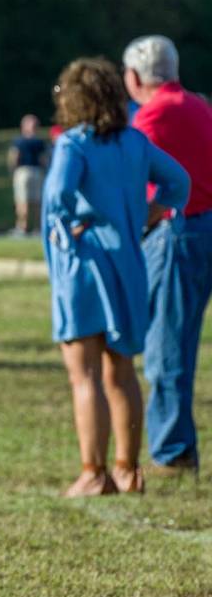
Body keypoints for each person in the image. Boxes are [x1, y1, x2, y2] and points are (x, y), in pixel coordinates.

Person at [43, 57, 189, 497]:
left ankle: (93, 472)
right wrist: (150, 212)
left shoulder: (73, 145)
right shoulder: (135, 142)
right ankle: (128, 470)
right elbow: (179, 181)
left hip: (83, 268)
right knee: (121, 370)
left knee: (83, 374)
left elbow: (57, 201)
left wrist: (78, 225)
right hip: (128, 266)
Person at [124, 35, 212, 474]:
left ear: (134, 76)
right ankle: (175, 444)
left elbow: (135, 174)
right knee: (178, 341)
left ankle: (173, 450)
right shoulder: (197, 104)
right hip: (204, 223)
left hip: (178, 232)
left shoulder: (153, 114)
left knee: (167, 347)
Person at [7, 114, 48, 235]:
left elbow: (14, 157)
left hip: (22, 172)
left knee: (22, 201)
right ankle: (38, 228)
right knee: (37, 202)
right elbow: (44, 159)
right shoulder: (40, 142)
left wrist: (12, 171)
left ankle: (22, 227)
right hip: (37, 171)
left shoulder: (18, 141)